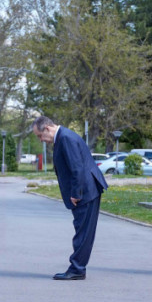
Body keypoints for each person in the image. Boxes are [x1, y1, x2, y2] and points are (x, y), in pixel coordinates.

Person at [32, 116, 108, 280]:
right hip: (87, 190)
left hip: (85, 192)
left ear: (47, 128)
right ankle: (77, 268)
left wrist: (76, 193)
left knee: (83, 233)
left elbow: (77, 167)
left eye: (40, 136)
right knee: (83, 232)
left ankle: (77, 269)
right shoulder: (63, 136)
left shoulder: (65, 138)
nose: (41, 140)